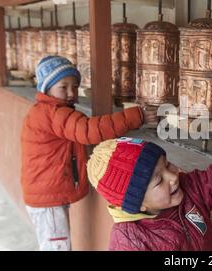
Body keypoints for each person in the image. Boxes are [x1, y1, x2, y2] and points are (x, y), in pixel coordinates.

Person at [20, 56, 157, 251]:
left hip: (45, 194)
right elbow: (88, 131)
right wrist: (137, 116)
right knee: (57, 246)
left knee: (54, 243)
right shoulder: (53, 113)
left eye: (75, 86)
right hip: (47, 198)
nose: (71, 92)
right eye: (63, 87)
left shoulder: (46, 111)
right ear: (46, 89)